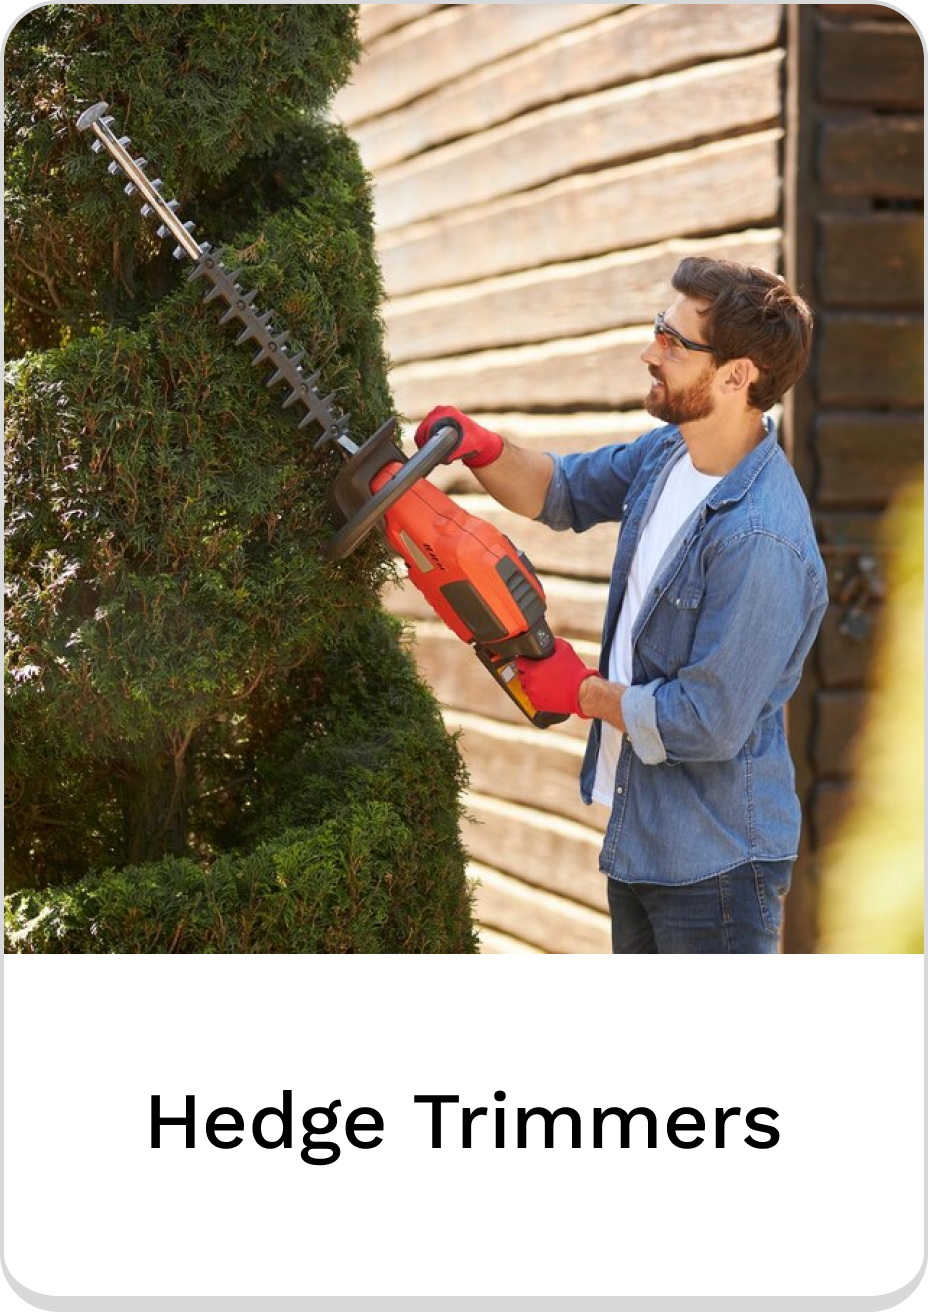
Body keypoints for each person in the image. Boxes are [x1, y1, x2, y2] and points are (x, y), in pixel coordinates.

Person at [414, 257, 827, 955]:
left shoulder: (759, 537)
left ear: (737, 376)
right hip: (644, 836)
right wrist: (482, 448)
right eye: (658, 329)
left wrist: (584, 693)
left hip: (717, 865)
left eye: (674, 343)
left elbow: (707, 721)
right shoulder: (670, 455)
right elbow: (561, 490)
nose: (650, 353)